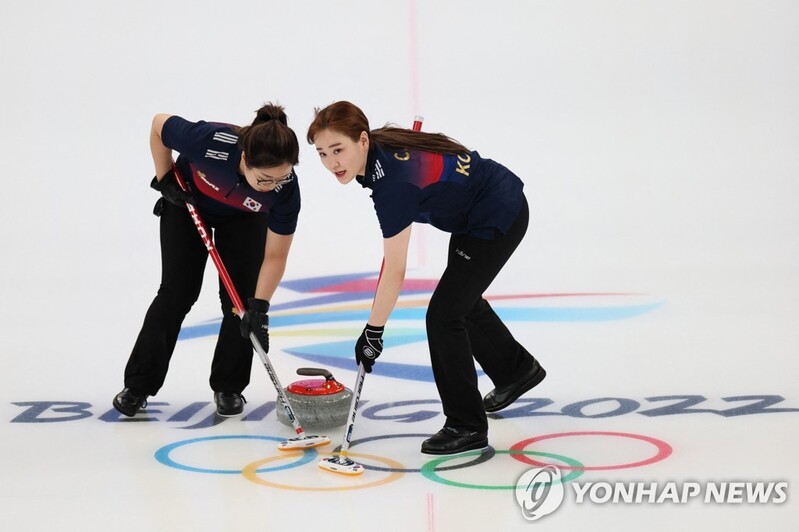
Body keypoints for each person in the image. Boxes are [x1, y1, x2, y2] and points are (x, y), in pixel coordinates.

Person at [307, 101, 546, 455]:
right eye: (323, 154)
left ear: (362, 141)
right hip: (475, 213)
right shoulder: (381, 153)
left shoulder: (393, 185)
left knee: (444, 315)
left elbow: (395, 268)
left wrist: (374, 329)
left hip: (498, 213)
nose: (331, 163)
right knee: (460, 301)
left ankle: (466, 425)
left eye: (338, 150)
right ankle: (515, 370)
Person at [113, 103, 300, 418]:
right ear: (244, 158)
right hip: (188, 202)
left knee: (240, 301)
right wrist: (164, 178)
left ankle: (229, 387)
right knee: (177, 292)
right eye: (265, 179)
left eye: (280, 179)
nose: (273, 186)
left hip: (244, 218)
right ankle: (138, 385)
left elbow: (276, 255)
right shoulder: (209, 141)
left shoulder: (286, 192)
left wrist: (260, 307)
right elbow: (159, 124)